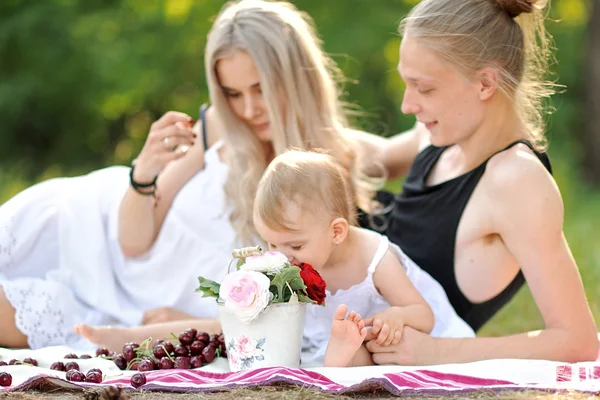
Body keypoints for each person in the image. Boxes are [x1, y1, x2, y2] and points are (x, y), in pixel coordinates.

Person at [0, 0, 386, 350]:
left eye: (261, 88)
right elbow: (133, 242)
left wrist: (189, 324)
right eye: (233, 93)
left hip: (129, 311)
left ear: (296, 77)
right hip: (85, 231)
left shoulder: (328, 167)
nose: (249, 108)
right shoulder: (216, 126)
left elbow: (301, 314)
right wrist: (144, 172)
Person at [76, 150, 475, 368]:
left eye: (295, 247)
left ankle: (336, 367)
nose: (282, 257)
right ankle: (125, 337)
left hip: (371, 344)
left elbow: (423, 315)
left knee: (360, 349)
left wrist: (395, 317)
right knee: (232, 325)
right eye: (272, 245)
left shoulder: (375, 257)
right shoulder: (288, 257)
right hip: (308, 336)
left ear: (336, 231)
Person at [363, 0, 598, 364]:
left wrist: (436, 352)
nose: (408, 105)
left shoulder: (516, 182)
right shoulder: (439, 139)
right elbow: (370, 157)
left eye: (424, 88)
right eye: (406, 84)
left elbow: (578, 340)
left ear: (485, 83)